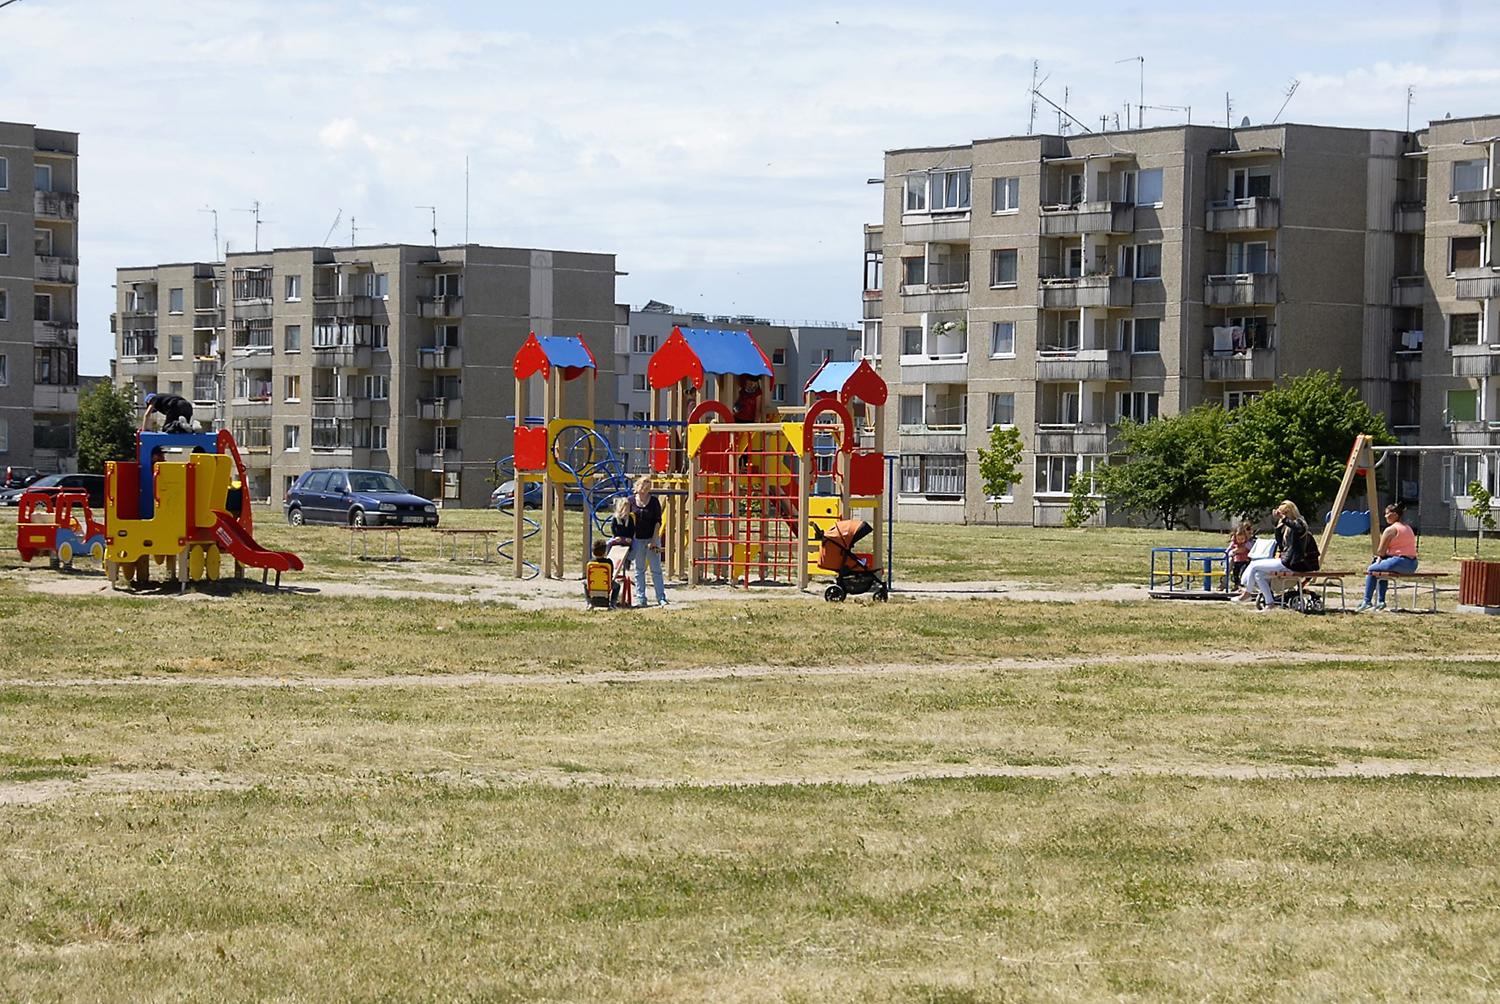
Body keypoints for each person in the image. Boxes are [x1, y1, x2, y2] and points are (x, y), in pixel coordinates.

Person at [1234, 500, 1311, 609]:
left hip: (1292, 563)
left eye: (1282, 513)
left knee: (1254, 565)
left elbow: (1297, 528)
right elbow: (1279, 542)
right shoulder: (1286, 526)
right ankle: (1270, 603)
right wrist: (1278, 523)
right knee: (1258, 575)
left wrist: (1284, 519)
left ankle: (1247, 593)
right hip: (1285, 561)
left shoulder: (1300, 523)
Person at [1356, 503, 1418, 612]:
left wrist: (1379, 557)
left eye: (1387, 514)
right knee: (1382, 570)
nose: (1385, 516)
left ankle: (1367, 601)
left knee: (1372, 569)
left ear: (1394, 514)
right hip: (1412, 564)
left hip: (1398, 561)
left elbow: (1381, 551)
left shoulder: (1391, 530)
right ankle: (1380, 601)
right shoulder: (1408, 527)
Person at [629, 475, 668, 607]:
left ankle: (661, 597)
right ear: (637, 487)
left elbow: (658, 521)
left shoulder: (654, 502)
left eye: (647, 488)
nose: (644, 490)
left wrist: (654, 540)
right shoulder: (631, 501)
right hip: (637, 539)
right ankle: (640, 598)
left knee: (656, 569)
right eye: (642, 487)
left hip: (652, 538)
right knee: (639, 570)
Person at [584, 540, 615, 609]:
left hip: (593, 585)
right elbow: (611, 574)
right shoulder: (608, 562)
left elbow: (588, 575)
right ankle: (613, 603)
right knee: (617, 586)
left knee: (585, 584)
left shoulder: (591, 563)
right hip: (606, 584)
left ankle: (589, 602)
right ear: (605, 552)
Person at [1226, 520, 1255, 590]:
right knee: (1235, 572)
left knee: (1243, 572)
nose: (1240, 540)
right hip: (1237, 560)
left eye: (1242, 539)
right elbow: (1228, 549)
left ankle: (1243, 585)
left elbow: (1252, 549)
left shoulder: (1247, 543)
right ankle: (1236, 584)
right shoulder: (1234, 543)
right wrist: (1227, 553)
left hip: (1245, 560)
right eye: (1238, 539)